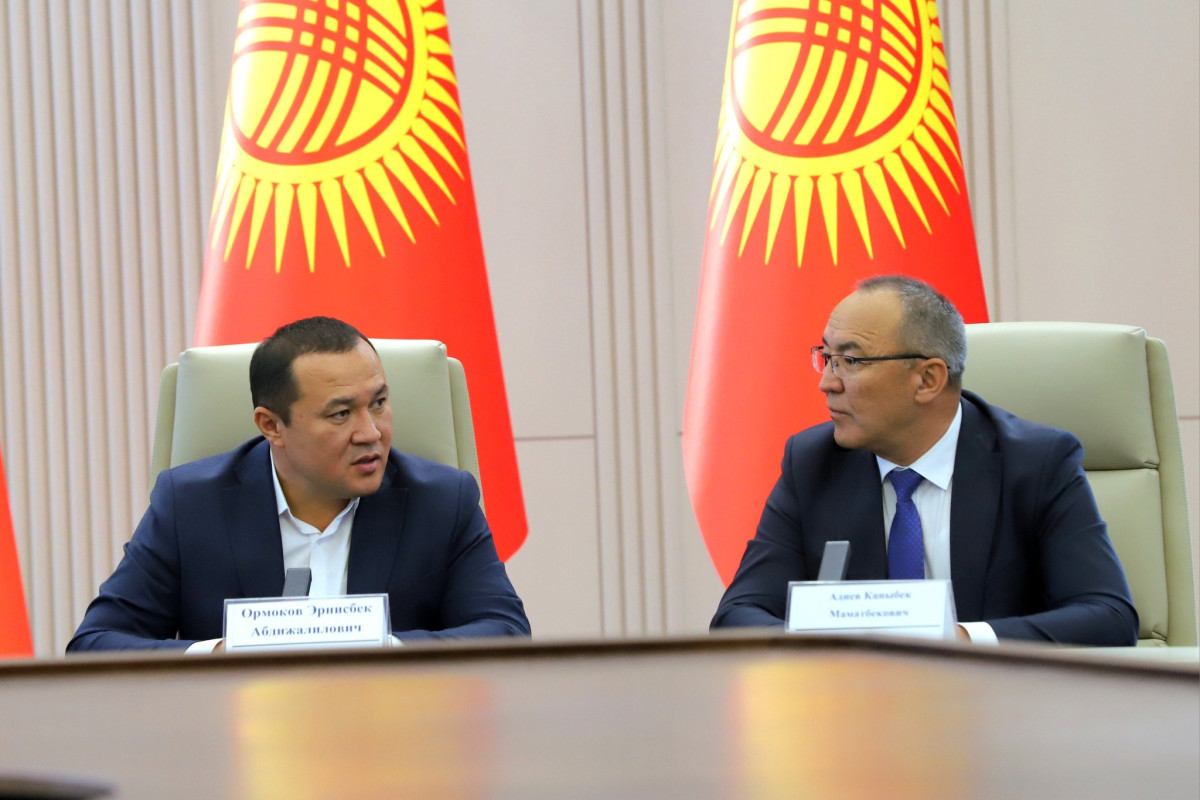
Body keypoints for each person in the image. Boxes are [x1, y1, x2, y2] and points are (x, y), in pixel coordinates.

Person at [711, 276, 1137, 645]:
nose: (827, 383)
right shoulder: (813, 463)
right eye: (826, 358)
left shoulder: (1035, 463)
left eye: (850, 361)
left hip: (995, 702)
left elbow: (1109, 616)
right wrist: (827, 645)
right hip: (855, 704)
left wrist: (959, 640)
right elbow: (736, 615)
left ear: (928, 379)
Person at [69, 317, 530, 651]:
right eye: (341, 413)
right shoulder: (191, 504)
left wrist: (375, 647)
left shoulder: (443, 500)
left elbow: (505, 633)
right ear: (271, 426)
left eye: (379, 403)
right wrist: (221, 654)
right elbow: (97, 643)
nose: (371, 432)